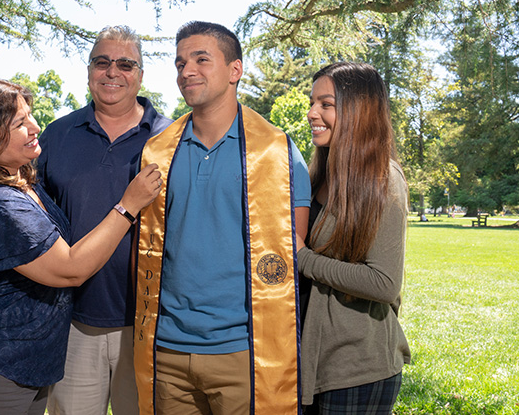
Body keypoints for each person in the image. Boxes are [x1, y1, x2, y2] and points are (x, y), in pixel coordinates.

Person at [0, 78, 163, 415]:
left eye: (30, 116)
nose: (36, 127)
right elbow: (70, 269)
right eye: (20, 123)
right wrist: (128, 205)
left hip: (23, 362)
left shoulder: (19, 182)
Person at [134, 21, 311, 414]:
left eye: (201, 59)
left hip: (246, 354)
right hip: (168, 352)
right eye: (180, 63)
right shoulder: (157, 152)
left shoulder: (277, 152)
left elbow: (288, 259)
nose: (186, 71)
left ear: (235, 70)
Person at [36, 25, 172, 415]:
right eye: (102, 62)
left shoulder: (170, 138)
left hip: (150, 323)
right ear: (89, 69)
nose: (113, 72)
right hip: (70, 321)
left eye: (125, 64)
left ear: (141, 75)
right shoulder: (57, 136)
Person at [299, 62, 411, 415]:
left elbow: (384, 283)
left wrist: (302, 258)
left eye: (326, 104)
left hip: (358, 369)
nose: (312, 113)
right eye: (313, 102)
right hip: (312, 361)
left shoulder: (385, 181)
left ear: (358, 110)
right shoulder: (320, 172)